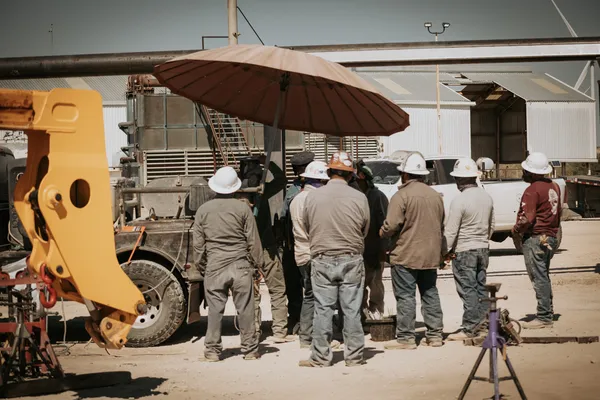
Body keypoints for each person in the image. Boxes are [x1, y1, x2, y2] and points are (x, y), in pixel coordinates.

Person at [299, 151, 370, 367]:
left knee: (323, 309)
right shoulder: (360, 197)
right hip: (351, 258)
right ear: (350, 176)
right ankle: (354, 357)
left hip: (322, 258)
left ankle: (320, 357)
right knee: (351, 309)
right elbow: (364, 229)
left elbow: (306, 225)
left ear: (329, 173)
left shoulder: (312, 197)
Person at [193, 166, 263, 362]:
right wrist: (259, 265)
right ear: (235, 188)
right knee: (246, 309)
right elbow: (253, 240)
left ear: (215, 187)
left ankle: (212, 351)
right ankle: (250, 350)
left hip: (215, 266)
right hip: (240, 265)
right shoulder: (243, 208)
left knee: (215, 310)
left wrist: (202, 265)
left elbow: (198, 246)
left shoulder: (203, 210)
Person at [380, 152, 445, 350]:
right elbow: (441, 226)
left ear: (406, 175)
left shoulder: (401, 196)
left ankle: (407, 337)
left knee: (406, 296)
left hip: (406, 254)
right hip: (430, 255)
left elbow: (391, 225)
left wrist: (381, 232)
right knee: (430, 293)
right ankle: (435, 335)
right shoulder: (436, 196)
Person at [443, 158, 495, 341]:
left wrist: (444, 252)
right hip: (482, 248)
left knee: (468, 290)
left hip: (465, 250)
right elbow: (492, 226)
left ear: (460, 179)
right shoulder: (486, 197)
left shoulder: (459, 201)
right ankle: (484, 324)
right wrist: (482, 240)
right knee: (481, 287)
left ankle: (471, 328)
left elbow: (451, 231)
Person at [512, 152, 561, 329]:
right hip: (550, 237)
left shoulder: (532, 190)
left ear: (532, 172)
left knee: (538, 277)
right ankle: (547, 310)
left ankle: (544, 316)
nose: (523, 172)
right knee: (544, 275)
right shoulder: (554, 186)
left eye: (525, 170)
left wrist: (516, 230)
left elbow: (528, 218)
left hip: (536, 238)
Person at [253, 157, 294, 343]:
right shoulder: (262, 192)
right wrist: (268, 163)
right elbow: (281, 179)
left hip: (247, 250)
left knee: (251, 293)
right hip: (266, 247)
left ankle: (253, 330)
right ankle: (279, 331)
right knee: (277, 289)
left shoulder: (236, 196)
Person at [289, 160, 330, 348]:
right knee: (321, 297)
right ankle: (315, 336)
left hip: (301, 254)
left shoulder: (296, 199)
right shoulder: (314, 200)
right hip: (314, 254)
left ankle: (306, 336)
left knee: (310, 295)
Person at [281, 151, 315, 334]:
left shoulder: (291, 192)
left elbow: (283, 217)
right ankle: (305, 323)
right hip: (309, 246)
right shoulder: (311, 191)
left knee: (297, 287)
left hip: (294, 245)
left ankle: (298, 322)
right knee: (309, 289)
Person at [355, 160, 389, 321]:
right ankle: (361, 313)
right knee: (359, 285)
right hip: (358, 249)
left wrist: (383, 249)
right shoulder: (354, 196)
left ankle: (376, 310)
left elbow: (385, 224)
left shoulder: (377, 197)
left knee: (375, 283)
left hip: (374, 248)